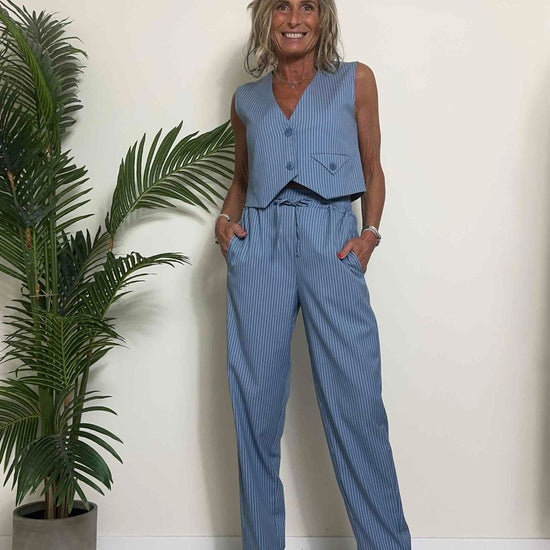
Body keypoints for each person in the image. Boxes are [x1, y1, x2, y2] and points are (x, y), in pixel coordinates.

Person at [214, 1, 412, 548]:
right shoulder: (246, 100)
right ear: (266, 19)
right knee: (254, 411)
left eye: (307, 6)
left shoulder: (355, 80)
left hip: (332, 239)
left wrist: (369, 235)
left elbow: (372, 168)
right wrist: (225, 224)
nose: (294, 17)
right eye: (281, 5)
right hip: (260, 247)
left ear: (323, 19)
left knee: (357, 405)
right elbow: (243, 177)